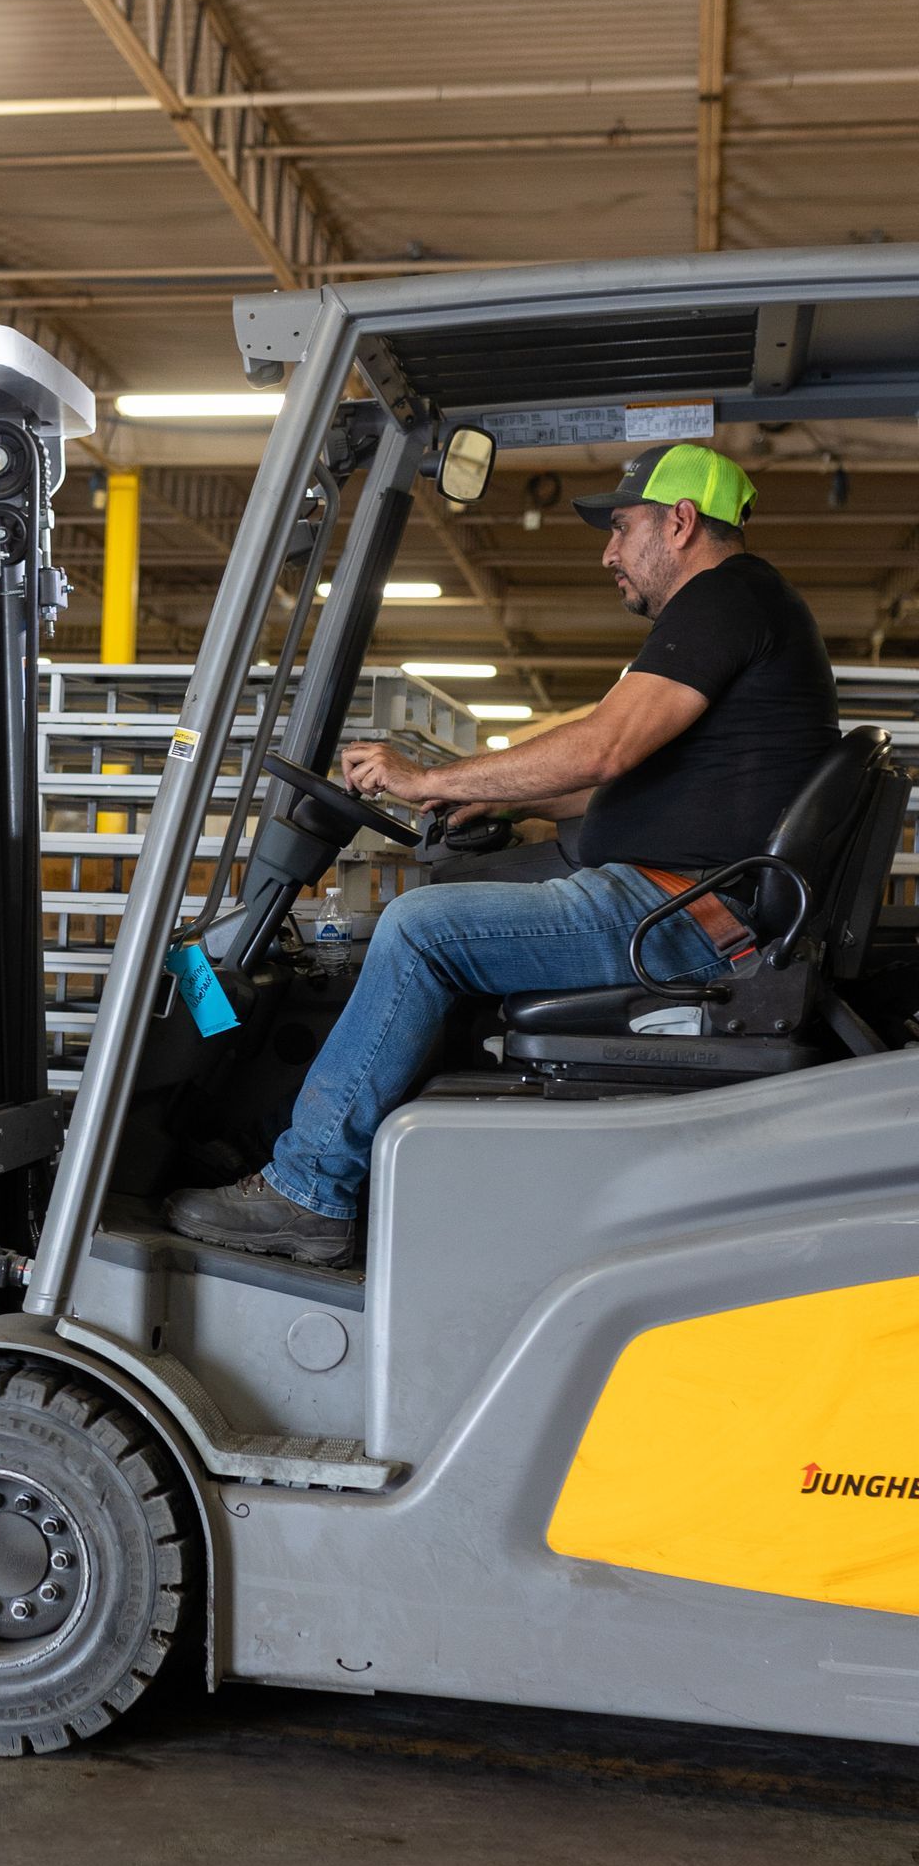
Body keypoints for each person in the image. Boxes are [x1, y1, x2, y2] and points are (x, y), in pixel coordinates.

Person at [166, 441, 840, 1263]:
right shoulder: (740, 608)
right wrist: (488, 791)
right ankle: (288, 1136)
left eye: (620, 529)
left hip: (682, 913)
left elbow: (603, 749)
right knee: (439, 892)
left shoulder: (724, 599)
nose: (609, 552)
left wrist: (425, 778)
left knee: (420, 929)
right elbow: (618, 784)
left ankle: (310, 1190)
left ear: (681, 523)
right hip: (682, 894)